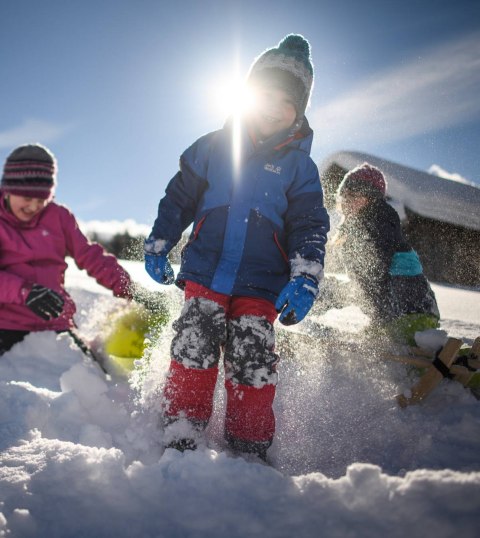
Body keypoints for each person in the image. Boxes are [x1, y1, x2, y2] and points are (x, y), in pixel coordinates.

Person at [144, 34, 330, 460]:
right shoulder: (212, 146)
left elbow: (309, 225)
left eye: (287, 102)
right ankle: (182, 428)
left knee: (252, 359)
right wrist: (160, 242)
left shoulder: (300, 167)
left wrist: (305, 276)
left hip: (261, 284)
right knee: (194, 343)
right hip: (207, 272)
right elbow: (179, 199)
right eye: (266, 94)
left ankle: (249, 444)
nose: (273, 107)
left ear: (298, 113)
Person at [0, 143, 136, 356]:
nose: (34, 206)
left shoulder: (59, 216)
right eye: (27, 198)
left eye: (42, 199)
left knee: (92, 373)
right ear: (8, 190)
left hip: (56, 321)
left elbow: (89, 255)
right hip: (7, 325)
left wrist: (126, 286)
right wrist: (24, 291)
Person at [315, 162, 439, 345]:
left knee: (395, 356)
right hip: (398, 314)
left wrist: (327, 296)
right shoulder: (358, 226)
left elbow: (373, 271)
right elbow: (365, 280)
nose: (347, 200)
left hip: (410, 315)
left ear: (371, 198)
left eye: (355, 195)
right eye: (345, 195)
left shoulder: (378, 218)